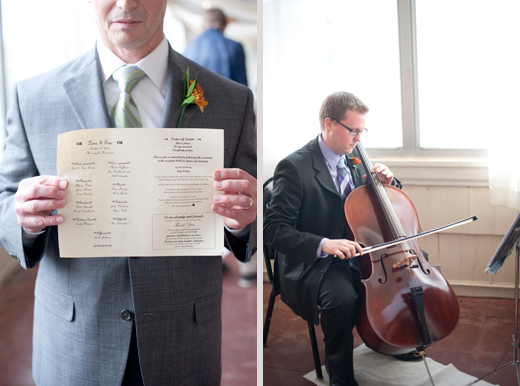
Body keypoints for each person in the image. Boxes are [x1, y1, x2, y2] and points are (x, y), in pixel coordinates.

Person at [0, 0, 256, 385]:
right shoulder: (32, 97)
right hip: (75, 341)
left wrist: (244, 220)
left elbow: (252, 218)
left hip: (183, 340)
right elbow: (5, 200)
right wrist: (24, 217)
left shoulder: (232, 100)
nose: (125, 2)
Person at [264, 92, 400, 386]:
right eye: (353, 130)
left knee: (405, 271)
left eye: (362, 131)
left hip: (358, 250)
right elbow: (273, 230)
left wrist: (389, 183)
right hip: (315, 261)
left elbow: (373, 204)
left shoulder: (354, 157)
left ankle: (392, 339)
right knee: (343, 298)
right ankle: (340, 375)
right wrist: (323, 244)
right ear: (328, 123)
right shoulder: (294, 167)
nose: (358, 139)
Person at [183, 8, 248, 86]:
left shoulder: (189, 47)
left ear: (203, 25)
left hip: (197, 97)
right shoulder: (235, 47)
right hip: (226, 97)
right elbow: (242, 88)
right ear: (224, 25)